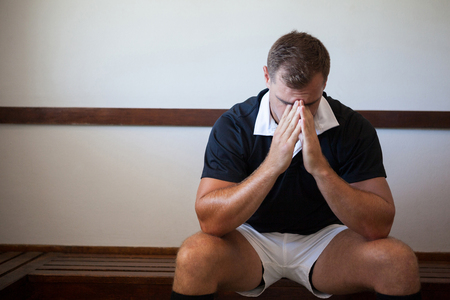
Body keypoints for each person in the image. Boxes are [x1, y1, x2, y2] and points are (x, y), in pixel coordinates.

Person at [170, 31, 421, 300]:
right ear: (267, 76)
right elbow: (210, 222)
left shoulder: (353, 128)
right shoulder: (234, 125)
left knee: (398, 260)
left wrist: (321, 169)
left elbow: (379, 226)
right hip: (250, 239)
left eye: (309, 103)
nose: (297, 113)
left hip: (326, 240)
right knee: (194, 256)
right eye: (286, 102)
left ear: (324, 82)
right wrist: (273, 165)